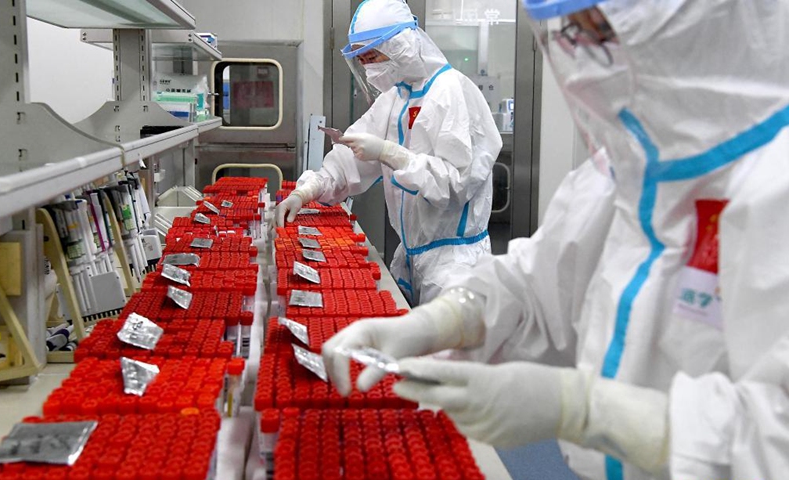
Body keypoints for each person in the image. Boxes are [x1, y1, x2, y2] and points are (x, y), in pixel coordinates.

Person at [323, 0, 789, 479]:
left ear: (708, 23)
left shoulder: (773, 189)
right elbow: (535, 283)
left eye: (600, 29)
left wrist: (581, 409)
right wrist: (444, 320)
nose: (583, 58)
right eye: (569, 33)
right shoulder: (618, 178)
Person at [275, 0, 501, 306]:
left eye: (373, 57)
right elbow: (348, 161)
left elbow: (454, 185)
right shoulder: (395, 99)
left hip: (455, 267)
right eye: (363, 60)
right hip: (411, 257)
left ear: (400, 46)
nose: (369, 68)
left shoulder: (451, 92)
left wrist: (390, 153)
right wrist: (306, 191)